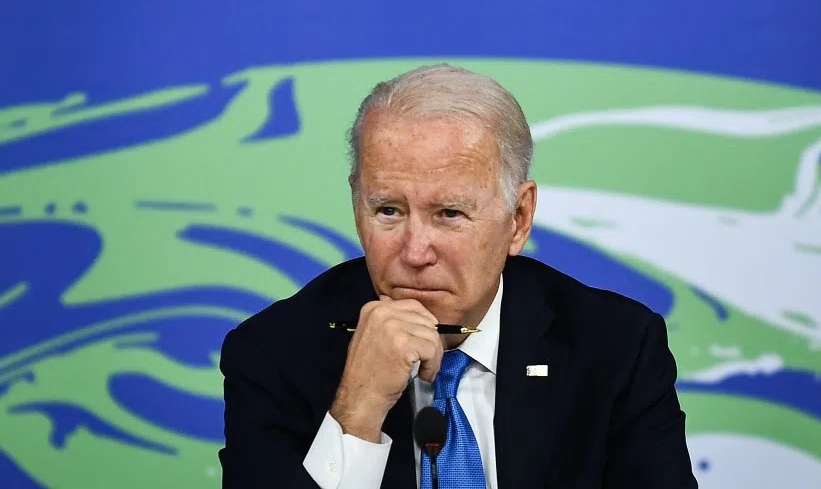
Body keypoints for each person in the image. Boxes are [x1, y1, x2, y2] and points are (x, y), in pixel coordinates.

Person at [218, 64, 698, 488]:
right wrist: (356, 413)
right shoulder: (274, 353)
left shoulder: (614, 346)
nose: (414, 251)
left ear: (518, 218)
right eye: (388, 210)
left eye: (449, 213)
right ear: (356, 203)